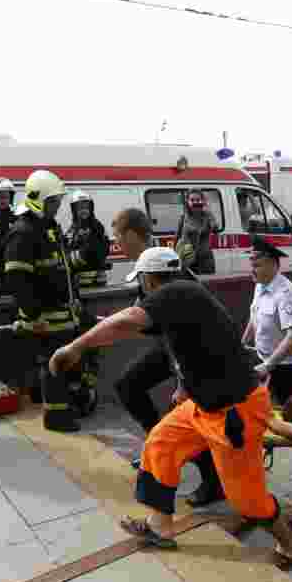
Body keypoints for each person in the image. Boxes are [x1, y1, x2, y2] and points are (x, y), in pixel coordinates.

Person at [48, 246, 292, 562]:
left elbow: (128, 320)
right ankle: (160, 527)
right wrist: (185, 386)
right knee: (160, 444)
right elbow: (176, 344)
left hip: (234, 413)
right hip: (202, 406)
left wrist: (76, 347)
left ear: (149, 280)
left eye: (140, 282)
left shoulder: (178, 291)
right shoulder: (183, 298)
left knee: (248, 501)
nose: (140, 289)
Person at [110, 207, 223, 508]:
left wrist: (182, 382)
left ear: (133, 235)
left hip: (190, 350)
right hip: (169, 346)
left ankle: (212, 480)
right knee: (127, 386)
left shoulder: (163, 264)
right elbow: (145, 312)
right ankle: (160, 445)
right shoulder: (146, 264)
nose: (117, 244)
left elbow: (177, 327)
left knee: (190, 415)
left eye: (119, 238)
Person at [4, 170, 92, 432]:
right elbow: (17, 280)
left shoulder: (48, 228)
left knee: (65, 364)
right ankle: (55, 418)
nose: (57, 207)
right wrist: (33, 316)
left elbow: (63, 270)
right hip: (44, 318)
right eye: (53, 202)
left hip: (64, 313)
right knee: (53, 366)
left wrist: (74, 298)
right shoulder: (23, 231)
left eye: (58, 202)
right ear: (38, 200)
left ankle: (67, 408)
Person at [242, 236, 292, 483]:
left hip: (286, 367)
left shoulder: (286, 293)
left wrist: (269, 366)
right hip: (262, 361)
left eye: (256, 264)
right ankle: (255, 455)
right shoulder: (260, 285)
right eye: (251, 264)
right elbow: (254, 317)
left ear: (271, 264)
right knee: (255, 409)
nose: (252, 270)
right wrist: (243, 342)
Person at [64, 190, 111, 288]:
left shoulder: (96, 226)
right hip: (79, 281)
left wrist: (70, 259)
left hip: (95, 281)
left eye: (86, 207)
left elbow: (97, 251)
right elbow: (68, 248)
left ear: (91, 208)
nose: (83, 210)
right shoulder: (73, 228)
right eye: (80, 208)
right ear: (74, 210)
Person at [175, 188, 217, 274]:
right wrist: (175, 254)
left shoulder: (207, 216)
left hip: (205, 260)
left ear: (202, 201)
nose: (195, 202)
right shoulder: (183, 218)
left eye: (198, 200)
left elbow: (215, 228)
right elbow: (177, 237)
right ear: (188, 202)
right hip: (187, 259)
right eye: (192, 200)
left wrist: (208, 213)